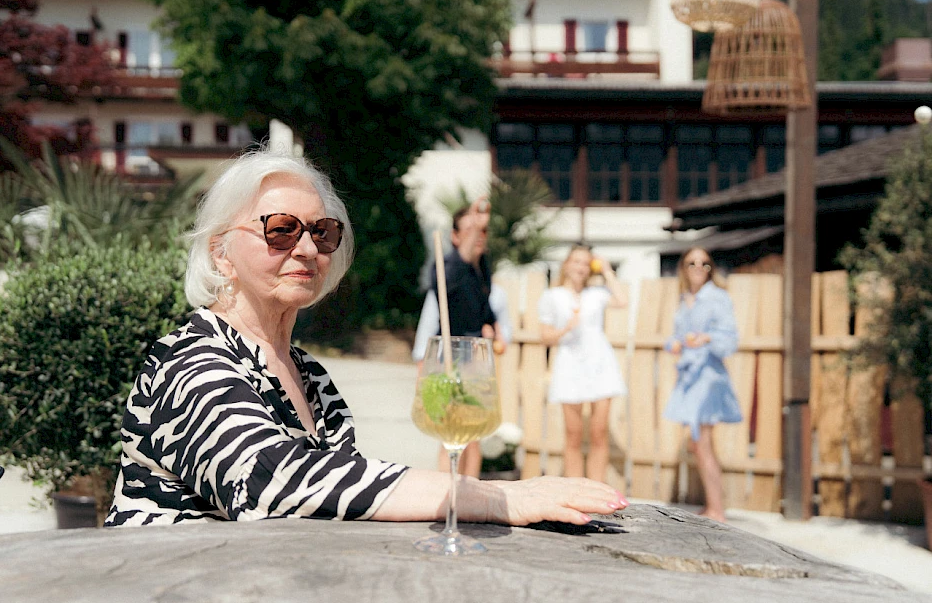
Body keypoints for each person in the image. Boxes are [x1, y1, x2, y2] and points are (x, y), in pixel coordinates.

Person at [105, 148, 628, 527]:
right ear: (221, 251)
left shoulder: (309, 375)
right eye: (281, 229)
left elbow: (343, 495)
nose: (308, 248)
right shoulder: (192, 360)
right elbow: (271, 483)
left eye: (322, 232)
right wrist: (495, 498)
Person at [424, 197, 507, 478]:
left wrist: (494, 327)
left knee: (474, 430)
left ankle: (470, 489)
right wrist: (475, 219)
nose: (479, 235)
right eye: (471, 230)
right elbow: (448, 293)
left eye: (483, 231)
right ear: (456, 236)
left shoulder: (481, 268)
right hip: (451, 354)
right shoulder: (448, 266)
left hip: (476, 358)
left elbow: (484, 306)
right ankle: (448, 489)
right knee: (451, 428)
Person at [663, 247, 741, 523]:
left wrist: (706, 338)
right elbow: (678, 337)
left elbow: (730, 340)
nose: (697, 267)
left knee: (702, 443)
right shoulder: (686, 300)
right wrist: (674, 343)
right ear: (683, 267)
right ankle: (713, 506)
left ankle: (717, 511)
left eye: (704, 263)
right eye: (691, 262)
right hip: (689, 377)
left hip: (707, 379)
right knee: (700, 444)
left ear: (711, 268)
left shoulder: (718, 298)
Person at [537, 245, 628, 482]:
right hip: (569, 364)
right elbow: (545, 336)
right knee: (573, 434)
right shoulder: (552, 296)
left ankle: (596, 489)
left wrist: (607, 270)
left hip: (600, 362)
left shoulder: (596, 293)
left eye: (586, 263)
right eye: (576, 261)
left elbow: (622, 300)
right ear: (566, 264)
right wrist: (566, 327)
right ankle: (577, 489)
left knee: (599, 432)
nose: (580, 267)